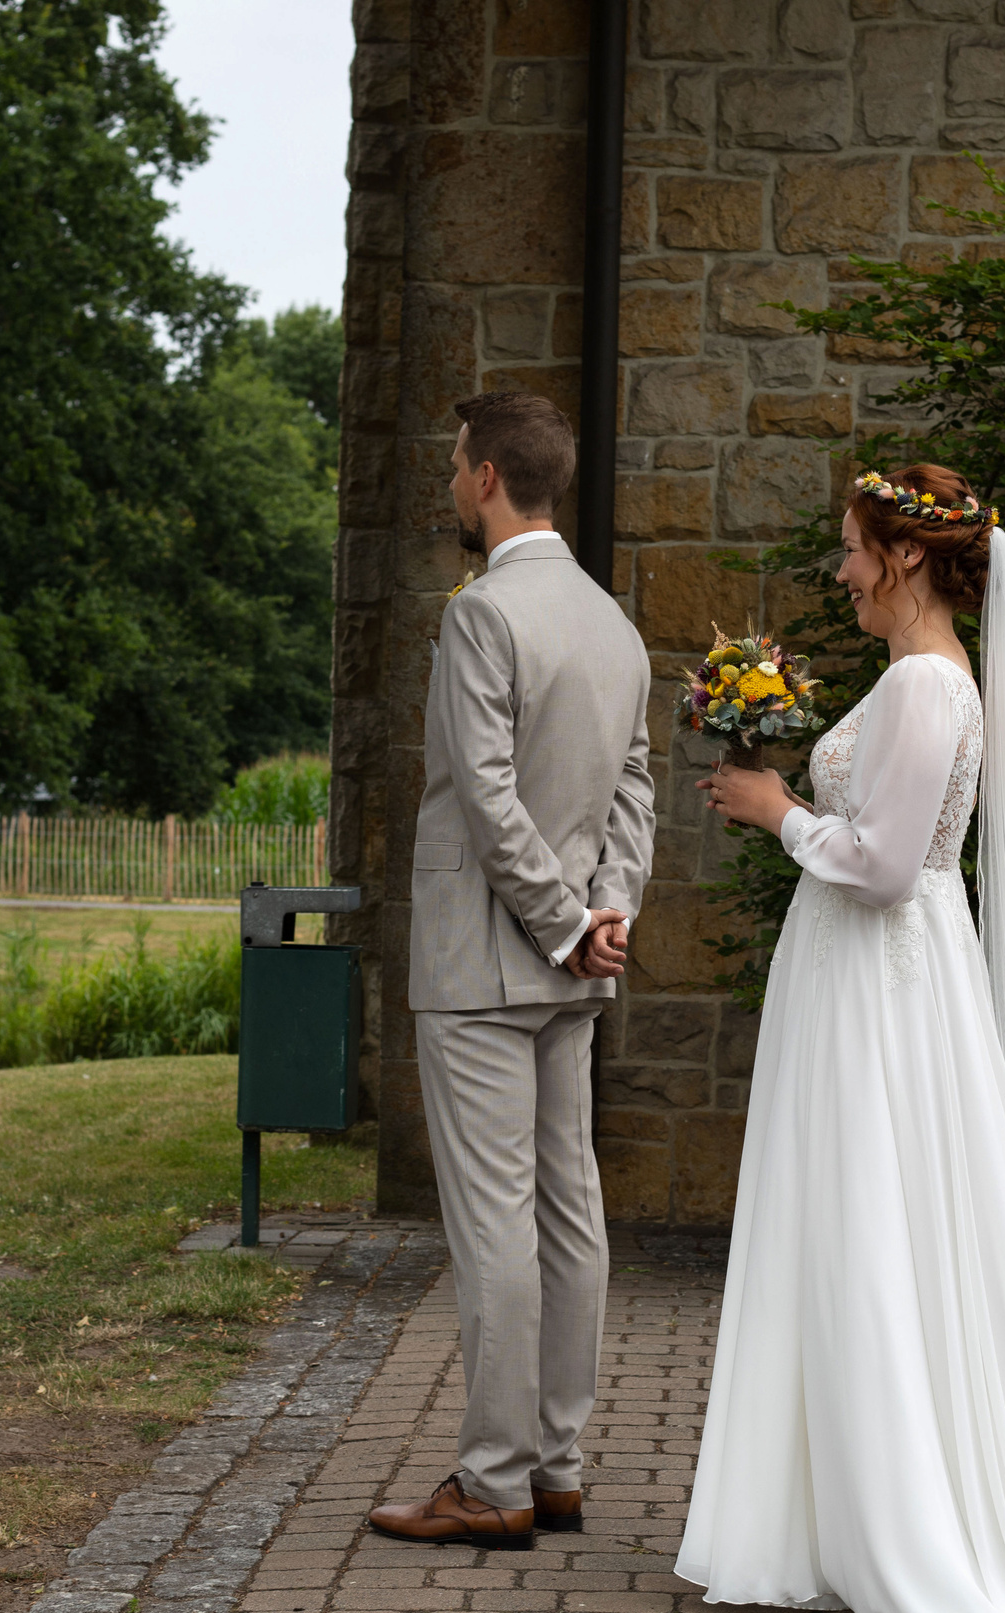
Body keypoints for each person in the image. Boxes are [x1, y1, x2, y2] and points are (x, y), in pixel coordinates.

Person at [676, 465, 1005, 1613]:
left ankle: (903, 1530)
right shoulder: (924, 680)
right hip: (878, 974)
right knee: (861, 1227)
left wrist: (776, 810)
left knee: (872, 1228)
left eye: (851, 549)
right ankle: (830, 1520)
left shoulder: (922, 685)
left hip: (883, 984)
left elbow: (889, 864)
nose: (839, 571)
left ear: (903, 558)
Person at [365, 391, 656, 1550]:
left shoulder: (483, 615)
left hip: (487, 962)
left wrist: (556, 920)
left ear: (487, 477)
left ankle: (490, 1483)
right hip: (571, 961)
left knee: (495, 1224)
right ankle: (557, 1467)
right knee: (569, 1213)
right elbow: (633, 791)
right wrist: (606, 912)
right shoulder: (613, 624)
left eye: (451, 467)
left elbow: (482, 796)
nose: (448, 484)